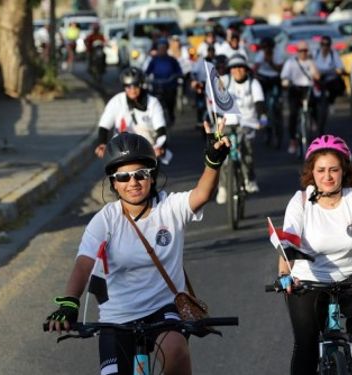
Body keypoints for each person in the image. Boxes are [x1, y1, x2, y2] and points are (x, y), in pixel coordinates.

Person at [45, 125, 231, 375]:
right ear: (114, 183)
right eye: (123, 177)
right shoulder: (105, 219)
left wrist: (212, 162)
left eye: (140, 174)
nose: (133, 182)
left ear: (152, 176)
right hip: (117, 317)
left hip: (164, 311)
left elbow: (202, 194)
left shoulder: (169, 207)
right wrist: (70, 303)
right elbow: (84, 263)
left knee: (175, 349)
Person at [274, 135, 352, 375]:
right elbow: (287, 243)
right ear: (311, 172)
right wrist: (284, 274)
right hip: (309, 278)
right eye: (321, 170)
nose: (327, 176)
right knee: (306, 344)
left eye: (334, 169)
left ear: (344, 170)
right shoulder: (300, 201)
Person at [216, 54, 266, 204]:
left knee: (246, 150)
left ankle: (249, 178)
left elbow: (259, 103)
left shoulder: (253, 84)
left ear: (246, 69)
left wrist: (262, 117)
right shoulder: (225, 81)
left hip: (248, 122)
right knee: (222, 155)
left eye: (240, 67)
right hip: (228, 121)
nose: (237, 70)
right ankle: (223, 187)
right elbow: (217, 99)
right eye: (234, 67)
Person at [94, 67, 168, 160]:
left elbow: (161, 128)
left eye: (135, 85)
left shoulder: (153, 102)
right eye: (128, 86)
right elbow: (104, 126)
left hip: (147, 150)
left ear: (141, 85)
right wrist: (102, 144)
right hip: (121, 150)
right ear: (124, 87)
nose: (132, 89)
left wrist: (160, 147)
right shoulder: (117, 101)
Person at [280, 40, 320, 155]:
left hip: (308, 89)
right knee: (293, 114)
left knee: (315, 105)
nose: (303, 53)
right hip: (295, 89)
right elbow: (284, 76)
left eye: (305, 50)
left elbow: (317, 75)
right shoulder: (291, 62)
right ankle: (293, 140)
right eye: (300, 51)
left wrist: (314, 70)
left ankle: (313, 122)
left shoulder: (310, 62)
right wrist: (286, 82)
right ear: (297, 52)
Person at [253, 37, 284, 149]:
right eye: (264, 48)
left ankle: (277, 112)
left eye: (268, 48)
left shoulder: (277, 54)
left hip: (275, 79)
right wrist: (254, 75)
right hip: (263, 79)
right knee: (263, 101)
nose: (266, 50)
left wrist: (270, 62)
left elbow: (280, 70)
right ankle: (265, 121)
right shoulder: (261, 54)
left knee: (276, 102)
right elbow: (255, 68)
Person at [145, 38, 183, 126]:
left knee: (170, 102)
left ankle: (170, 115)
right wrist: (145, 78)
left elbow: (179, 72)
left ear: (167, 48)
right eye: (160, 48)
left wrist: (175, 76)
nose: (161, 50)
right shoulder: (154, 60)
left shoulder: (172, 60)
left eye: (163, 48)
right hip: (156, 86)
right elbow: (147, 72)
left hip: (169, 86)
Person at [312, 35, 345, 135]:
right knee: (312, 100)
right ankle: (314, 119)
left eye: (327, 44)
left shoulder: (333, 54)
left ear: (330, 45)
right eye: (323, 44)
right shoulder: (315, 53)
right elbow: (310, 65)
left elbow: (340, 67)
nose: (325, 47)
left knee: (335, 87)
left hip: (329, 80)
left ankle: (330, 102)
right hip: (317, 81)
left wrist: (339, 71)